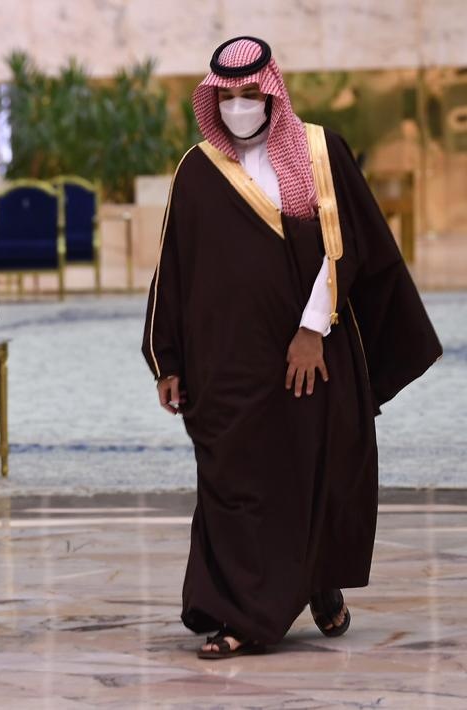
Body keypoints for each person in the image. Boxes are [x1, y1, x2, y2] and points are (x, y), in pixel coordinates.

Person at [142, 36, 442, 660]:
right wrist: (167, 360)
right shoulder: (197, 169)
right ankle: (236, 613)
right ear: (212, 99)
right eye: (228, 97)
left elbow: (346, 247)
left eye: (252, 94)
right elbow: (173, 269)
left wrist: (312, 332)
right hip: (224, 363)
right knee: (234, 481)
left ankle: (317, 580)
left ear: (272, 91)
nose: (241, 106)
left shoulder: (318, 152)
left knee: (316, 471)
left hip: (310, 353)